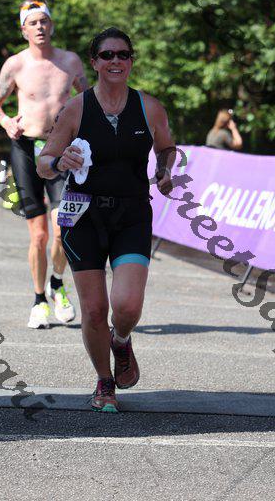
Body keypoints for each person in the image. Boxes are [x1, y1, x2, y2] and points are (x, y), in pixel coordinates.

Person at [37, 27, 175, 412]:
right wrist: (59, 161)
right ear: (94, 62)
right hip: (82, 213)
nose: (116, 61)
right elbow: (43, 162)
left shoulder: (150, 107)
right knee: (95, 309)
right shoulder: (76, 108)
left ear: (131, 61)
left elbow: (167, 148)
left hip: (132, 213)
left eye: (123, 55)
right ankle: (104, 380)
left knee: (126, 306)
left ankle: (121, 339)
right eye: (108, 55)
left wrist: (165, 170)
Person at [0, 0, 88, 329]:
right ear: (24, 30)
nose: (40, 27)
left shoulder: (70, 61)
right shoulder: (15, 64)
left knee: (63, 228)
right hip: (25, 148)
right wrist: (6, 122)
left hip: (60, 151)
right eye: (33, 23)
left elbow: (89, 100)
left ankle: (57, 283)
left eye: (44, 21)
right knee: (39, 234)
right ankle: (39, 299)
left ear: (52, 26)